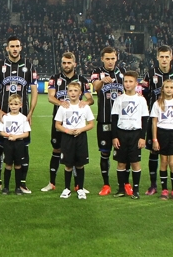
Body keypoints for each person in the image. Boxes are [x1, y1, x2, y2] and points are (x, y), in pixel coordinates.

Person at [0, 36, 38, 193]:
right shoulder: (0, 65)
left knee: (23, 148)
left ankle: (22, 183)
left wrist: (30, 112)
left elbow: (35, 91)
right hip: (3, 114)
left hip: (22, 114)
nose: (15, 49)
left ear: (21, 47)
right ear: (7, 48)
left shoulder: (29, 66)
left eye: (17, 46)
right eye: (12, 46)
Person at [43, 51, 92, 193]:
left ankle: (78, 186)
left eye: (69, 63)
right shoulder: (54, 79)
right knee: (56, 150)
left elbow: (90, 99)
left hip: (77, 125)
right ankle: (51, 183)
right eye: (64, 62)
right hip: (60, 122)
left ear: (74, 64)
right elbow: (50, 97)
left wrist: (85, 102)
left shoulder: (82, 80)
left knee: (76, 155)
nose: (66, 65)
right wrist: (61, 103)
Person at [142, 45, 173, 196]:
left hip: (172, 122)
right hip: (156, 119)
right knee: (154, 152)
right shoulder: (150, 74)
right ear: (157, 57)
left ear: (171, 57)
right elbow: (146, 94)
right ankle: (153, 184)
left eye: (167, 56)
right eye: (161, 56)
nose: (164, 59)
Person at [90, 46, 126, 196]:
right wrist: (102, 81)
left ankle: (125, 184)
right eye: (107, 59)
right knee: (105, 153)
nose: (110, 62)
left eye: (113, 58)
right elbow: (95, 87)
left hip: (121, 121)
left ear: (116, 58)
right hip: (104, 120)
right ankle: (106, 185)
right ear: (102, 59)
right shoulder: (96, 72)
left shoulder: (122, 73)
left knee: (123, 154)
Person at [54, 81, 95, 199]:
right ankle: (67, 189)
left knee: (80, 164)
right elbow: (57, 124)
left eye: (75, 91)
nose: (73, 93)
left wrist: (81, 129)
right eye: (70, 91)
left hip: (80, 137)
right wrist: (67, 131)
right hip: (67, 138)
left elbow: (91, 124)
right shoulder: (63, 106)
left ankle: (80, 189)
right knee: (68, 165)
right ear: (67, 92)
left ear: (80, 92)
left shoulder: (84, 106)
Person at [111, 71, 149, 199]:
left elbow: (145, 120)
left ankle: (136, 190)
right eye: (126, 81)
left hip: (135, 134)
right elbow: (114, 119)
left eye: (130, 81)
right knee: (121, 163)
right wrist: (114, 136)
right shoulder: (119, 99)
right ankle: (121, 188)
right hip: (121, 133)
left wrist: (143, 137)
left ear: (136, 83)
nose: (127, 84)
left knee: (135, 163)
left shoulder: (141, 100)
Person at [150, 79, 173, 201]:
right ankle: (165, 190)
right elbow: (154, 122)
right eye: (167, 87)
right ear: (163, 89)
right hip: (162, 133)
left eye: (171, 87)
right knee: (164, 162)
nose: (169, 90)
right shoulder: (157, 103)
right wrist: (155, 139)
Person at [0, 94, 32, 195]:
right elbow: (1, 131)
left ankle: (18, 187)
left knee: (18, 165)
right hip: (8, 143)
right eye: (11, 104)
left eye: (16, 104)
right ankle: (6, 187)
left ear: (20, 105)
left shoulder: (23, 118)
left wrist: (16, 137)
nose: (14, 106)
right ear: (8, 105)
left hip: (19, 143)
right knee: (8, 164)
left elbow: (26, 133)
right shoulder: (5, 117)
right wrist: (8, 135)